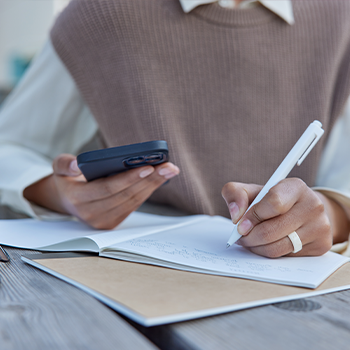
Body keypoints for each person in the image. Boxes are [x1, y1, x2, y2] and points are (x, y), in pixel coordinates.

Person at [0, 0, 350, 258]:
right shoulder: (99, 14)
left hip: (289, 286)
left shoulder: (340, 18)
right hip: (130, 274)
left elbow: (341, 185)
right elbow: (8, 146)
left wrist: (327, 216)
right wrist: (63, 195)